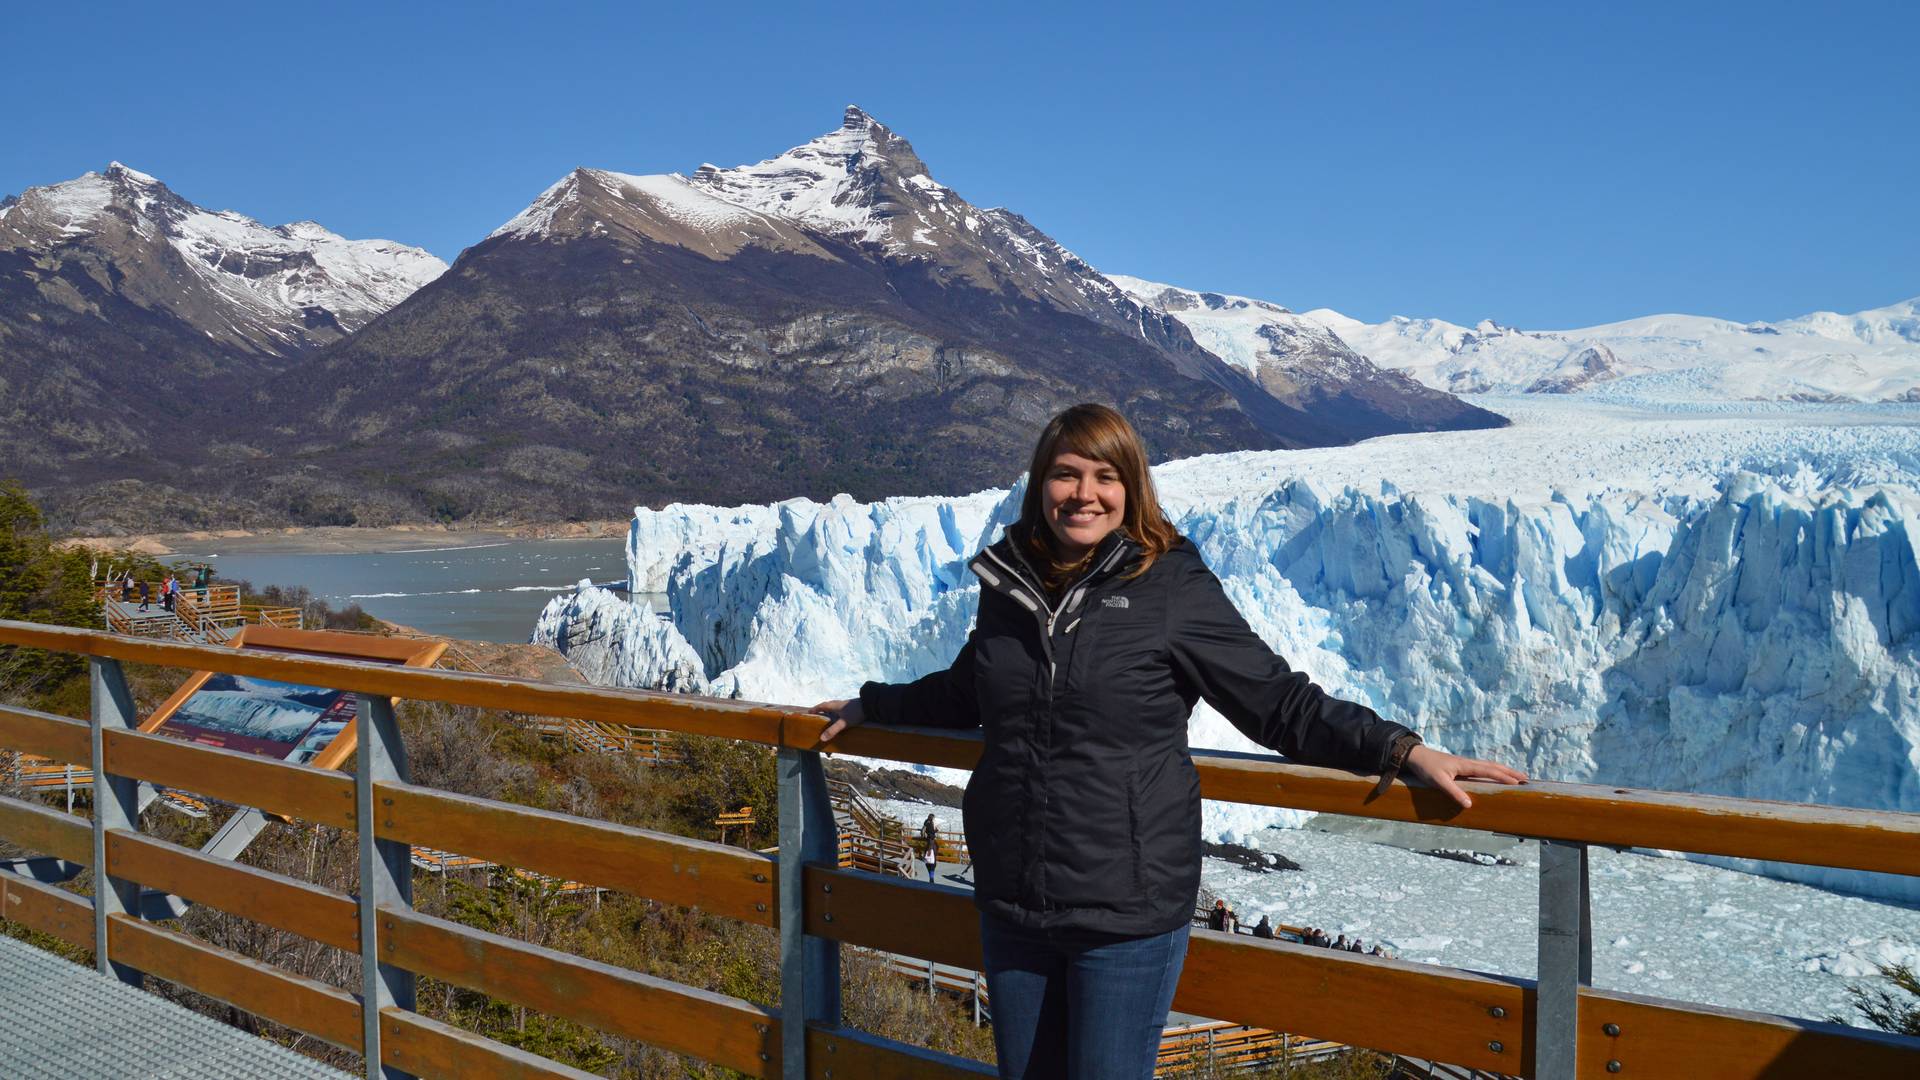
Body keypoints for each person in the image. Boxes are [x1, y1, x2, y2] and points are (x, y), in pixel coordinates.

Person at [811, 404, 1527, 1080]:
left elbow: (1277, 703)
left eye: (1104, 476)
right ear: (1041, 485)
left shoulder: (1170, 585)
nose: (1083, 494)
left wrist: (1399, 749)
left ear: (1132, 487)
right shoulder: (1010, 582)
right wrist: (873, 705)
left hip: (1125, 908)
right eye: (1066, 474)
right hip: (1016, 900)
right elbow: (970, 688)